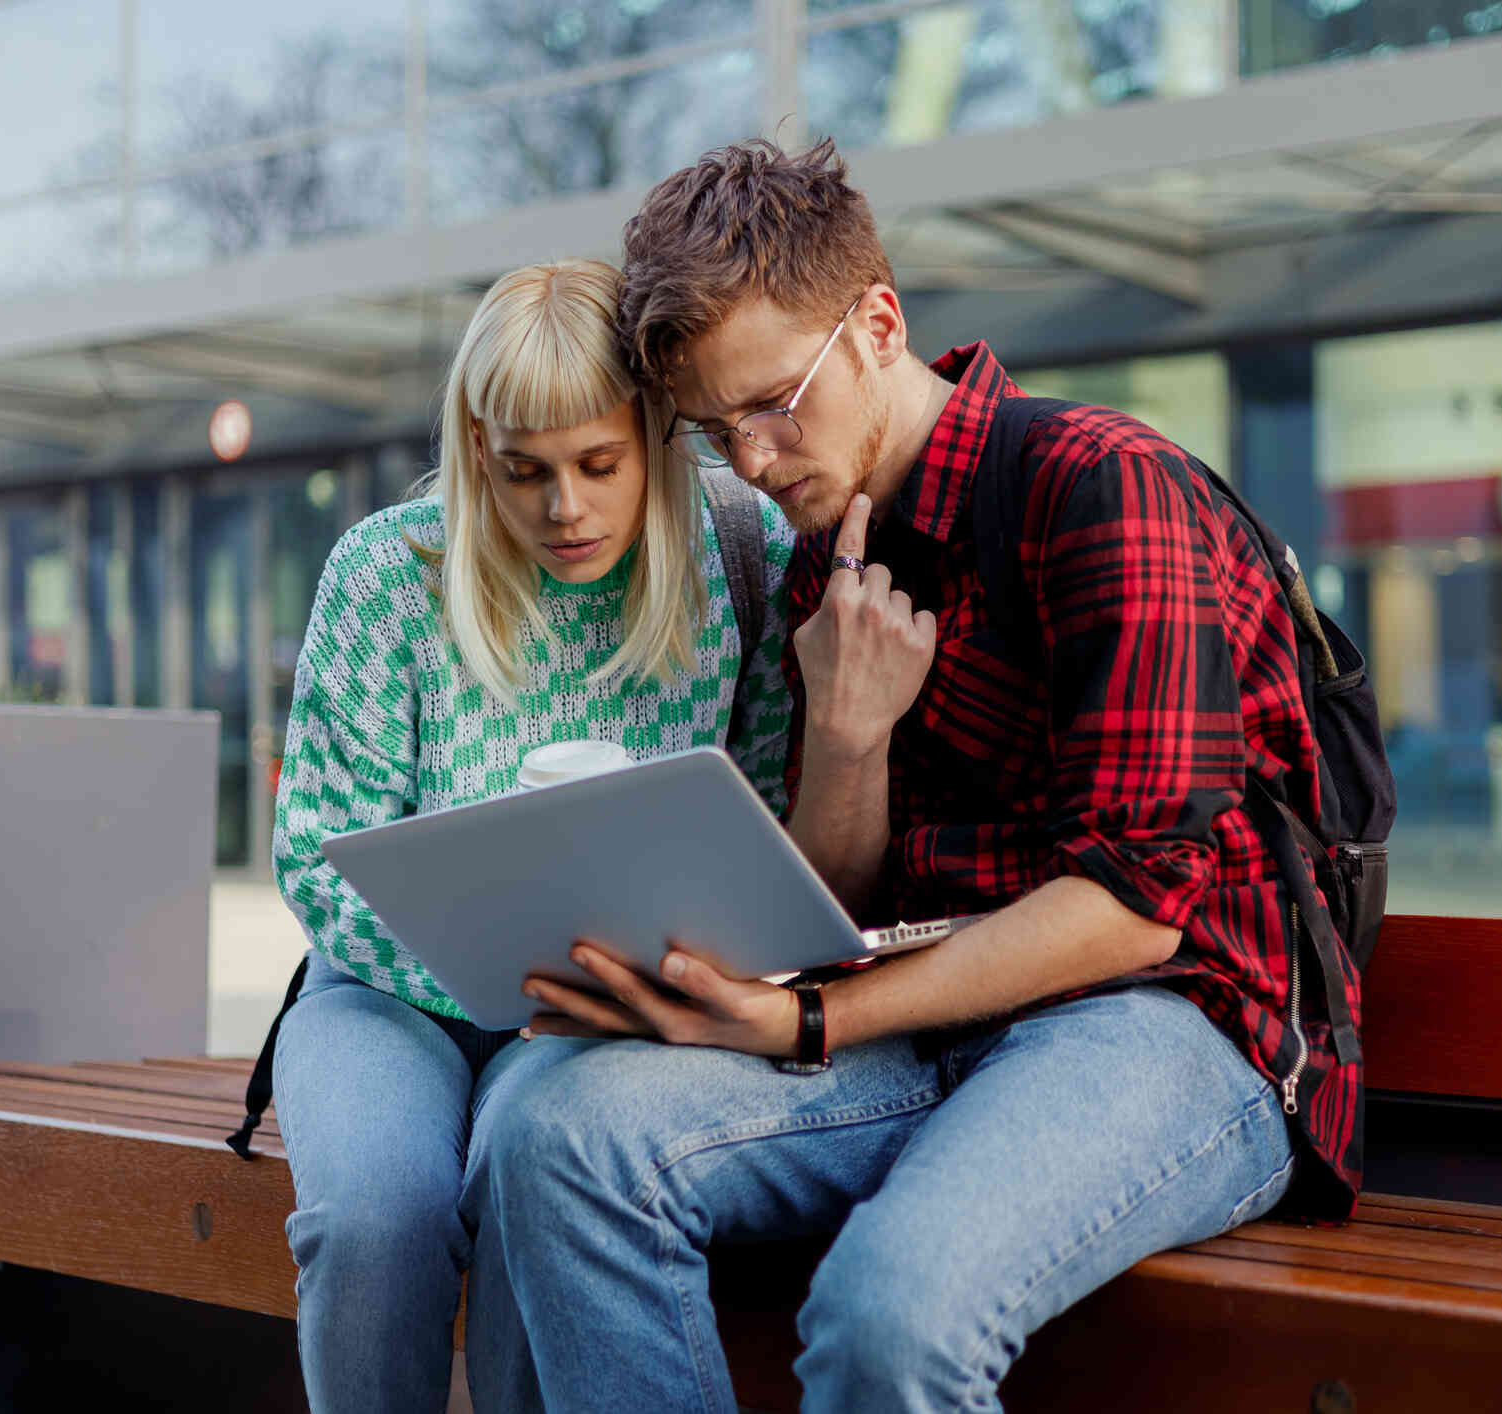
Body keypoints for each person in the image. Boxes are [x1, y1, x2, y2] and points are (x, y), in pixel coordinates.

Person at [461, 140, 1362, 1413]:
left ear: (880, 321)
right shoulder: (821, 560)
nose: (758, 462)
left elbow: (1135, 901)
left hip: (1172, 1025)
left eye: (776, 402)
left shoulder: (1103, 487)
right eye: (718, 433)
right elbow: (838, 892)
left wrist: (812, 1021)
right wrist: (846, 733)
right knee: (552, 1139)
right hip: (931, 1025)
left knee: (887, 1314)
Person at [264, 258, 795, 1413]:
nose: (566, 507)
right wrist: (481, 975)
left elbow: (762, 817)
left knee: (533, 1168)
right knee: (374, 1213)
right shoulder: (387, 574)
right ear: (474, 448)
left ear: (658, 437)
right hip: (383, 996)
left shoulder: (744, 559)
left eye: (599, 465)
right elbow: (314, 848)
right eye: (523, 472)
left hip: (603, 1004)